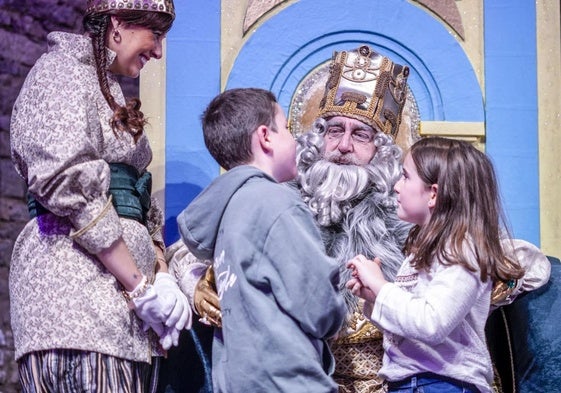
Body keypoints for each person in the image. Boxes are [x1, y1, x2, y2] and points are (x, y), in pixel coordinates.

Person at [165, 45, 550, 393]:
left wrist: (493, 277)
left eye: (360, 135)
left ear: (383, 152)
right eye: (334, 131)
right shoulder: (279, 201)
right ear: (316, 139)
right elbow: (188, 249)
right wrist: (198, 284)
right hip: (307, 375)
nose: (343, 147)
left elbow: (516, 259)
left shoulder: (414, 216)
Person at [9, 0, 191, 391]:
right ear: (118, 23)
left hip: (118, 320)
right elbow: (67, 182)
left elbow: (140, 201)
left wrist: (160, 276)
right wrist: (139, 286)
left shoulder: (106, 90)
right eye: (155, 35)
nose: (158, 51)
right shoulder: (62, 74)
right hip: (81, 309)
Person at [175, 87, 346, 392]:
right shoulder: (275, 202)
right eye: (288, 129)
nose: (297, 141)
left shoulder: (229, 209)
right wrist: (336, 310)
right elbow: (318, 304)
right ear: (266, 136)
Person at [346, 136, 532, 392]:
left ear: (433, 194)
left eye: (405, 176)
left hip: (441, 383)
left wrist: (381, 286)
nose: (397, 186)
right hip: (413, 383)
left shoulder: (463, 250)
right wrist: (374, 297)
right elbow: (410, 325)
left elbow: (432, 323)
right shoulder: (421, 250)